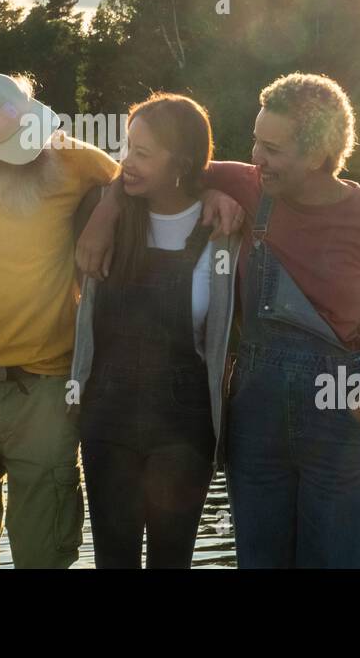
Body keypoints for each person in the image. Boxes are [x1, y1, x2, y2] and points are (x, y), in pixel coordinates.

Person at [0, 72, 243, 568]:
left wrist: (124, 206)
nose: (30, 149)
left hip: (51, 389)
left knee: (47, 553)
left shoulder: (74, 160)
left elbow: (147, 173)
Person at [78, 72, 360, 568]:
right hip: (255, 417)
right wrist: (105, 213)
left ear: (319, 154)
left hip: (341, 413)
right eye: (255, 140)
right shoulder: (246, 185)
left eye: (271, 148)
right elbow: (147, 165)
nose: (255, 157)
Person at [69, 93, 240, 568]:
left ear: (181, 161)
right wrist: (109, 202)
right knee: (113, 559)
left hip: (184, 424)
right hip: (107, 415)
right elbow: (56, 159)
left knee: (173, 560)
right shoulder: (102, 217)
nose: (128, 163)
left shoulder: (223, 228)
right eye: (128, 148)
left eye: (143, 154)